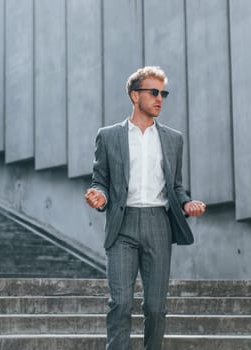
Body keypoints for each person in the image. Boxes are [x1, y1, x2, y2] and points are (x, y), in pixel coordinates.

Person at [85, 66, 205, 350]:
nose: (159, 98)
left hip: (158, 224)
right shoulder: (109, 136)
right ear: (134, 96)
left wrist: (187, 202)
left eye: (163, 93)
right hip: (122, 225)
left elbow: (176, 186)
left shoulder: (174, 139)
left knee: (155, 307)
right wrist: (98, 196)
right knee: (121, 303)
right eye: (153, 92)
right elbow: (99, 180)